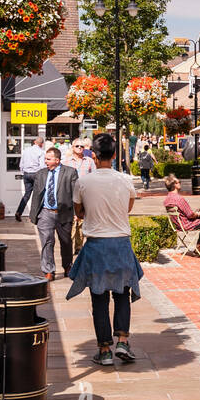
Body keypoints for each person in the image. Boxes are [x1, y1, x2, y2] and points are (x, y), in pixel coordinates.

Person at [67, 134, 142, 367]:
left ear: (94, 155)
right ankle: (122, 340)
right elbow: (127, 209)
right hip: (120, 243)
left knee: (99, 299)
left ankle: (105, 349)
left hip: (97, 244)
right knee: (122, 295)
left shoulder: (83, 182)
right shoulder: (125, 180)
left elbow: (79, 212)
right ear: (115, 154)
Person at [29, 146, 78, 279]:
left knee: (66, 241)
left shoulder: (70, 172)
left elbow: (76, 194)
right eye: (45, 159)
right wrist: (33, 214)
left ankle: (68, 266)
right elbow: (36, 196)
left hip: (64, 212)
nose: (45, 161)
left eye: (48, 159)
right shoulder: (40, 174)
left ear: (57, 160)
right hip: (45, 213)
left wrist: (77, 212)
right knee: (47, 241)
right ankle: (48, 270)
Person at [14, 136, 46, 221]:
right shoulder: (41, 152)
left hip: (26, 174)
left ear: (34, 142)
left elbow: (21, 164)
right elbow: (42, 166)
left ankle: (19, 212)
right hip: (36, 174)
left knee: (27, 194)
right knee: (36, 195)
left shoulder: (26, 150)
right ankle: (33, 216)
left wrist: (23, 173)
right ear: (42, 144)